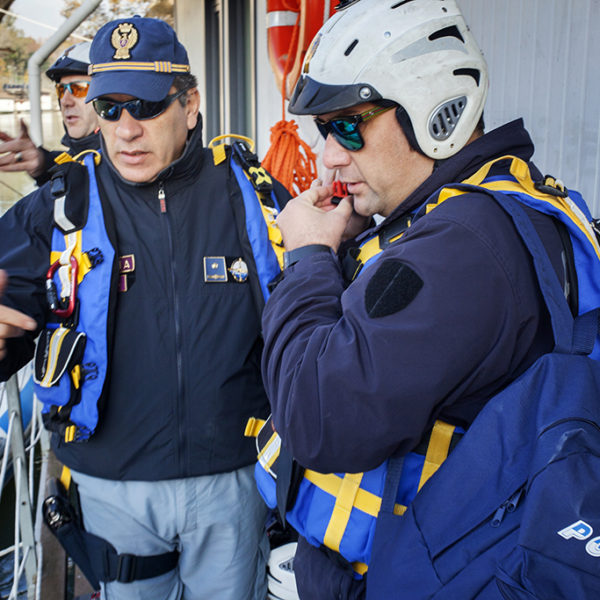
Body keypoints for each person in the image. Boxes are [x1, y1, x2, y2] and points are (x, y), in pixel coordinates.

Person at [259, 0, 597, 597]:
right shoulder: (486, 207)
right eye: (322, 130)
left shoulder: (465, 246)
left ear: (435, 114)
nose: (330, 156)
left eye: (347, 126)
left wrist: (308, 256)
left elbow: (316, 416)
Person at [0, 16, 289, 600]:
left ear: (190, 105)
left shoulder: (251, 195)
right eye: (109, 108)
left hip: (232, 481)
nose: (126, 130)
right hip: (111, 486)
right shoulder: (60, 205)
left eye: (147, 106)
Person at [0, 42, 99, 186]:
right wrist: (44, 163)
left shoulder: (130, 162)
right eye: (61, 90)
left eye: (79, 88)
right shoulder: (78, 158)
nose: (65, 101)